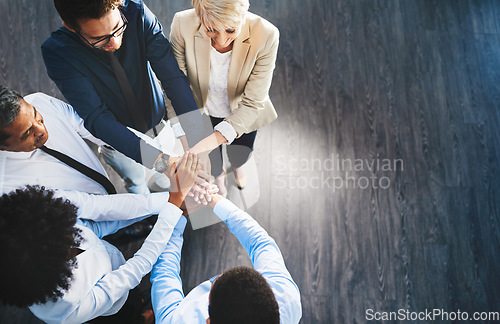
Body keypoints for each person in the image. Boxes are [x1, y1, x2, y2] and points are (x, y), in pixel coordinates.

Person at [0, 152, 201, 324]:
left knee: (136, 297)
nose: (72, 233)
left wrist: (170, 203)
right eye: (67, 240)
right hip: (112, 309)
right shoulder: (68, 305)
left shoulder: (44, 227)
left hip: (111, 262)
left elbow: (98, 226)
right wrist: (174, 204)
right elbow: (134, 270)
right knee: (128, 314)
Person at [42, 0, 209, 194]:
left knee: (165, 183)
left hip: (160, 124)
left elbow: (173, 78)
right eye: (99, 39)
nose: (114, 43)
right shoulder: (58, 52)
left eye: (117, 28)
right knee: (136, 184)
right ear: (70, 27)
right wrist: (166, 164)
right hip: (118, 143)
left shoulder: (136, 12)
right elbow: (98, 118)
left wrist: (197, 140)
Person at [168, 0, 280, 196]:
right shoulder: (181, 24)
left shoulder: (267, 35)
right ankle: (218, 176)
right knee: (212, 162)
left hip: (243, 112)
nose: (220, 41)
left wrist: (200, 148)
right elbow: (174, 86)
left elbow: (253, 102)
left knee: (240, 153)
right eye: (211, 29)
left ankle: (237, 167)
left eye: (230, 30)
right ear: (199, 15)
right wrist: (190, 148)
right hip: (201, 112)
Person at [150, 194, 302, 323]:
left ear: (208, 321)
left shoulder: (177, 320)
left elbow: (165, 272)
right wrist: (216, 201)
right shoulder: (287, 299)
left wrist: (178, 211)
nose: (217, 276)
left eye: (214, 283)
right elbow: (261, 243)